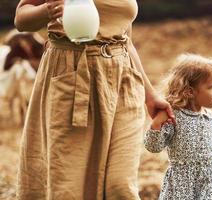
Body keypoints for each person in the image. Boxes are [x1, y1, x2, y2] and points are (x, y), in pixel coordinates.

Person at [14, 0, 175, 199]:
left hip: (122, 81)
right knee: (69, 187)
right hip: (71, 76)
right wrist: (47, 10)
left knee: (121, 187)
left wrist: (150, 96)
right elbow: (21, 19)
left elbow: (126, 40)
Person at [144, 53, 212, 200]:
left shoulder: (211, 119)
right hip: (180, 188)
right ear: (189, 91)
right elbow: (153, 147)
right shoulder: (174, 117)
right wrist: (156, 124)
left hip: (206, 186)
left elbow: (211, 156)